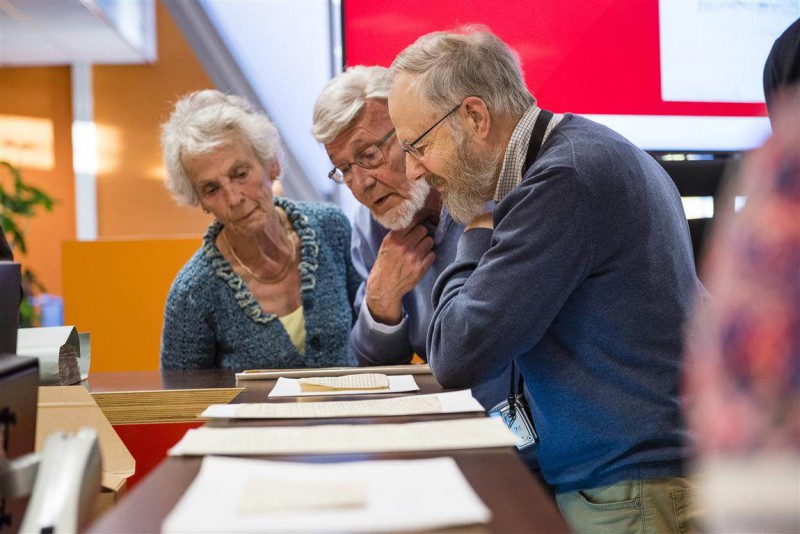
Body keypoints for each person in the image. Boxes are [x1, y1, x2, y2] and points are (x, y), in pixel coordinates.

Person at [387, 27, 701, 532]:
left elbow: (455, 351)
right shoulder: (592, 152)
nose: (413, 169)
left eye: (417, 145)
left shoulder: (563, 181)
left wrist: (474, 229)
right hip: (643, 477)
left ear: (474, 115)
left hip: (630, 489)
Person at [311, 66, 516, 413]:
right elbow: (371, 371)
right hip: (447, 418)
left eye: (370, 156)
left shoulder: (489, 194)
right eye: (344, 169)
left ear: (410, 133)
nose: (360, 184)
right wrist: (380, 300)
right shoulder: (372, 226)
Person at [159, 90, 361, 371]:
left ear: (271, 165)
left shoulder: (331, 229)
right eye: (211, 189)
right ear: (200, 201)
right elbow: (182, 400)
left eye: (240, 174)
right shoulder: (193, 292)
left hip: (350, 414)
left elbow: (372, 344)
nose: (233, 198)